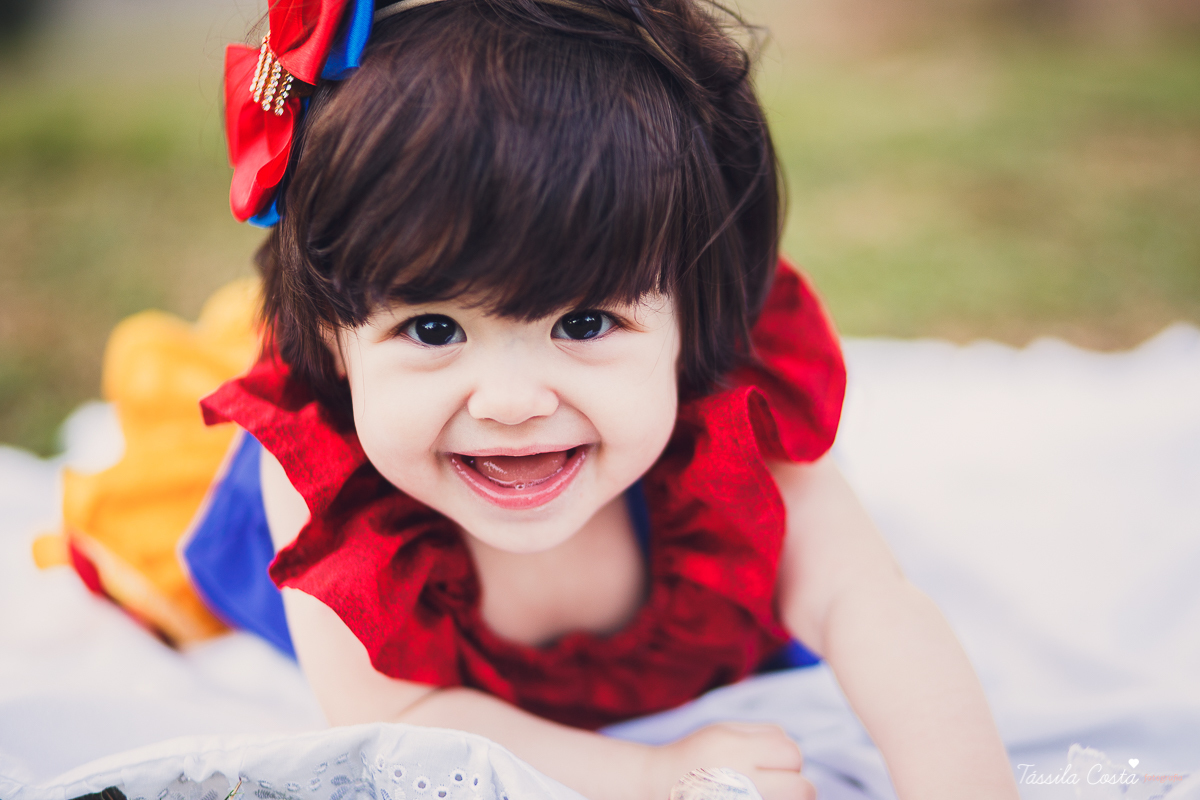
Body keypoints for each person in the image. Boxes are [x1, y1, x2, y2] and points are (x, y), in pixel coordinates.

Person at [195, 1, 1023, 798]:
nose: (511, 402)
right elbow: (397, 718)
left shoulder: (732, 426)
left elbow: (864, 600)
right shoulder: (325, 487)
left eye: (584, 322)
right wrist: (649, 778)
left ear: (692, 319)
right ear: (334, 340)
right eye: (434, 329)